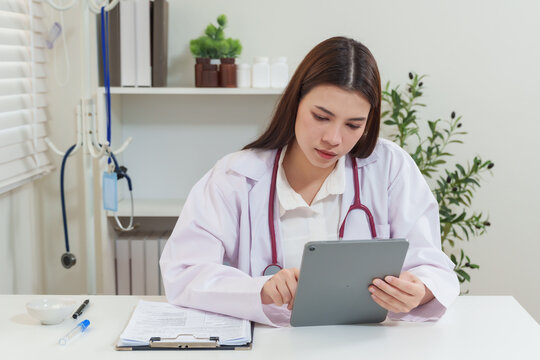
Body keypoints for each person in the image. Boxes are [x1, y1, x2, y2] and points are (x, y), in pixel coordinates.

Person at [160, 36, 459, 327]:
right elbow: (184, 272)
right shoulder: (236, 176)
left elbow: (434, 267)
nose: (334, 139)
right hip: (271, 346)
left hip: (363, 345)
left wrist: (420, 291)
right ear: (296, 102)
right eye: (321, 117)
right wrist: (259, 290)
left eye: (354, 125)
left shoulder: (390, 167)